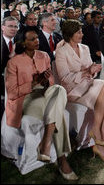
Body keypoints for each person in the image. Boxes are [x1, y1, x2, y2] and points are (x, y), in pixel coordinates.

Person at [5, 26, 78, 180]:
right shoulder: (14, 62)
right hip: (25, 99)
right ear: (23, 43)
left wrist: (46, 80)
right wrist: (33, 83)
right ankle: (61, 159)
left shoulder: (44, 56)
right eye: (32, 39)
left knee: (58, 89)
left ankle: (45, 142)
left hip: (46, 94)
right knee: (58, 113)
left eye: (37, 38)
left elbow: (51, 83)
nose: (37, 41)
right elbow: (11, 92)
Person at [55, 20, 104, 163]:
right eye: (79, 32)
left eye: (81, 31)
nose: (82, 34)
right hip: (72, 89)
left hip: (88, 84)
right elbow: (64, 78)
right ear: (70, 34)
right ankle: (99, 138)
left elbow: (90, 69)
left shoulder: (84, 48)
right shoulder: (61, 51)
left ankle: (98, 136)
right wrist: (85, 72)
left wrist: (93, 70)